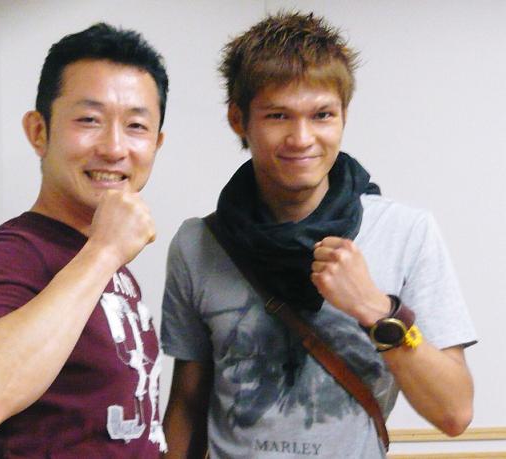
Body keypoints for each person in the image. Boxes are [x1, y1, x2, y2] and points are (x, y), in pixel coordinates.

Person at [161, 11, 476, 459]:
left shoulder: (406, 232)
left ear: (343, 116)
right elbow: (187, 405)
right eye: (278, 115)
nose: (302, 138)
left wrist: (375, 309)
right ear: (238, 119)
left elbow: (454, 412)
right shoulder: (199, 243)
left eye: (322, 115)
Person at [0, 22, 168, 458]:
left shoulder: (101, 257)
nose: (114, 148)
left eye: (136, 126)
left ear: (156, 143)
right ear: (38, 131)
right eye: (89, 120)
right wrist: (105, 251)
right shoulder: (12, 253)